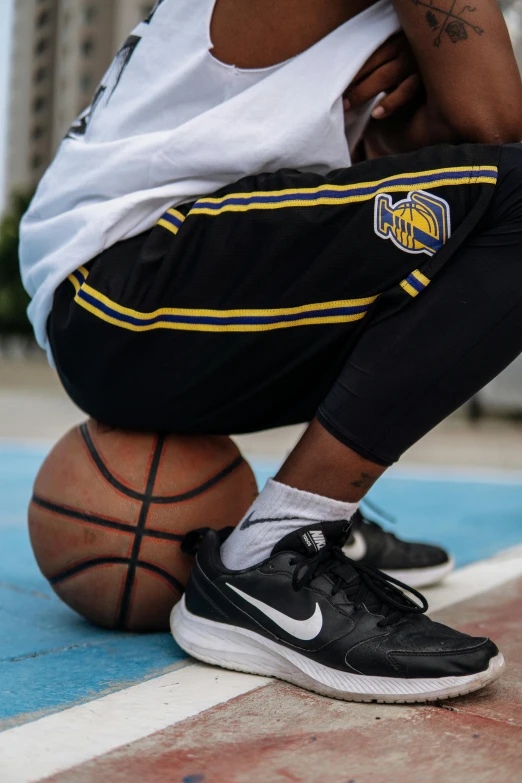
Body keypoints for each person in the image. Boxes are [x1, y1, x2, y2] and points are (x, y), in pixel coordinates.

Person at [20, 0, 522, 702]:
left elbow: (443, 141)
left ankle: (315, 522)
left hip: (142, 302)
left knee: (470, 200)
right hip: (124, 285)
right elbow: (497, 123)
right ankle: (274, 549)